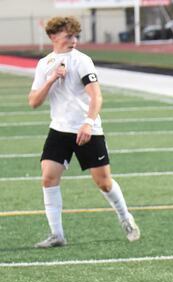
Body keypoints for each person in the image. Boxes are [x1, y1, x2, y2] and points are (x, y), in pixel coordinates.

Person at [28, 16, 140, 249]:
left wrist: (88, 123)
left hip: (87, 129)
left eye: (76, 35)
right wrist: (51, 79)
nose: (74, 40)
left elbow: (96, 96)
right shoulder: (44, 64)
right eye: (69, 36)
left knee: (104, 182)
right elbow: (33, 102)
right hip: (59, 129)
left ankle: (125, 217)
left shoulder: (82, 61)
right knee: (48, 177)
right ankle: (57, 234)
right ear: (53, 37)